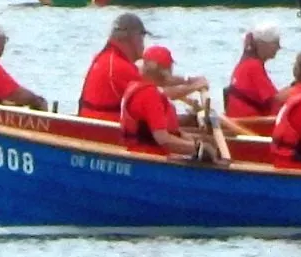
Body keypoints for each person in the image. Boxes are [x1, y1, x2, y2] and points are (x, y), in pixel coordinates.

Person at [78, 12, 207, 121]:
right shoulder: (119, 66)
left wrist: (190, 81)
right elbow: (157, 95)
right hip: (106, 126)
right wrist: (194, 86)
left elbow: (159, 81)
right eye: (142, 37)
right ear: (132, 37)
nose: (143, 44)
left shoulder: (110, 58)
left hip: (96, 119)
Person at [120, 46, 211, 157]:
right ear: (163, 72)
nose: (171, 73)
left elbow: (169, 86)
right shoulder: (150, 95)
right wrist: (198, 149)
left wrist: (190, 140)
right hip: (149, 156)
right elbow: (163, 140)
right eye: (170, 68)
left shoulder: (137, 84)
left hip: (139, 152)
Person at [225, 22, 290, 118]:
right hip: (251, 122)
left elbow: (271, 96)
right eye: (276, 43)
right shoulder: (254, 67)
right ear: (262, 44)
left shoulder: (245, 64)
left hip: (240, 118)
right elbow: (275, 100)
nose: (279, 47)